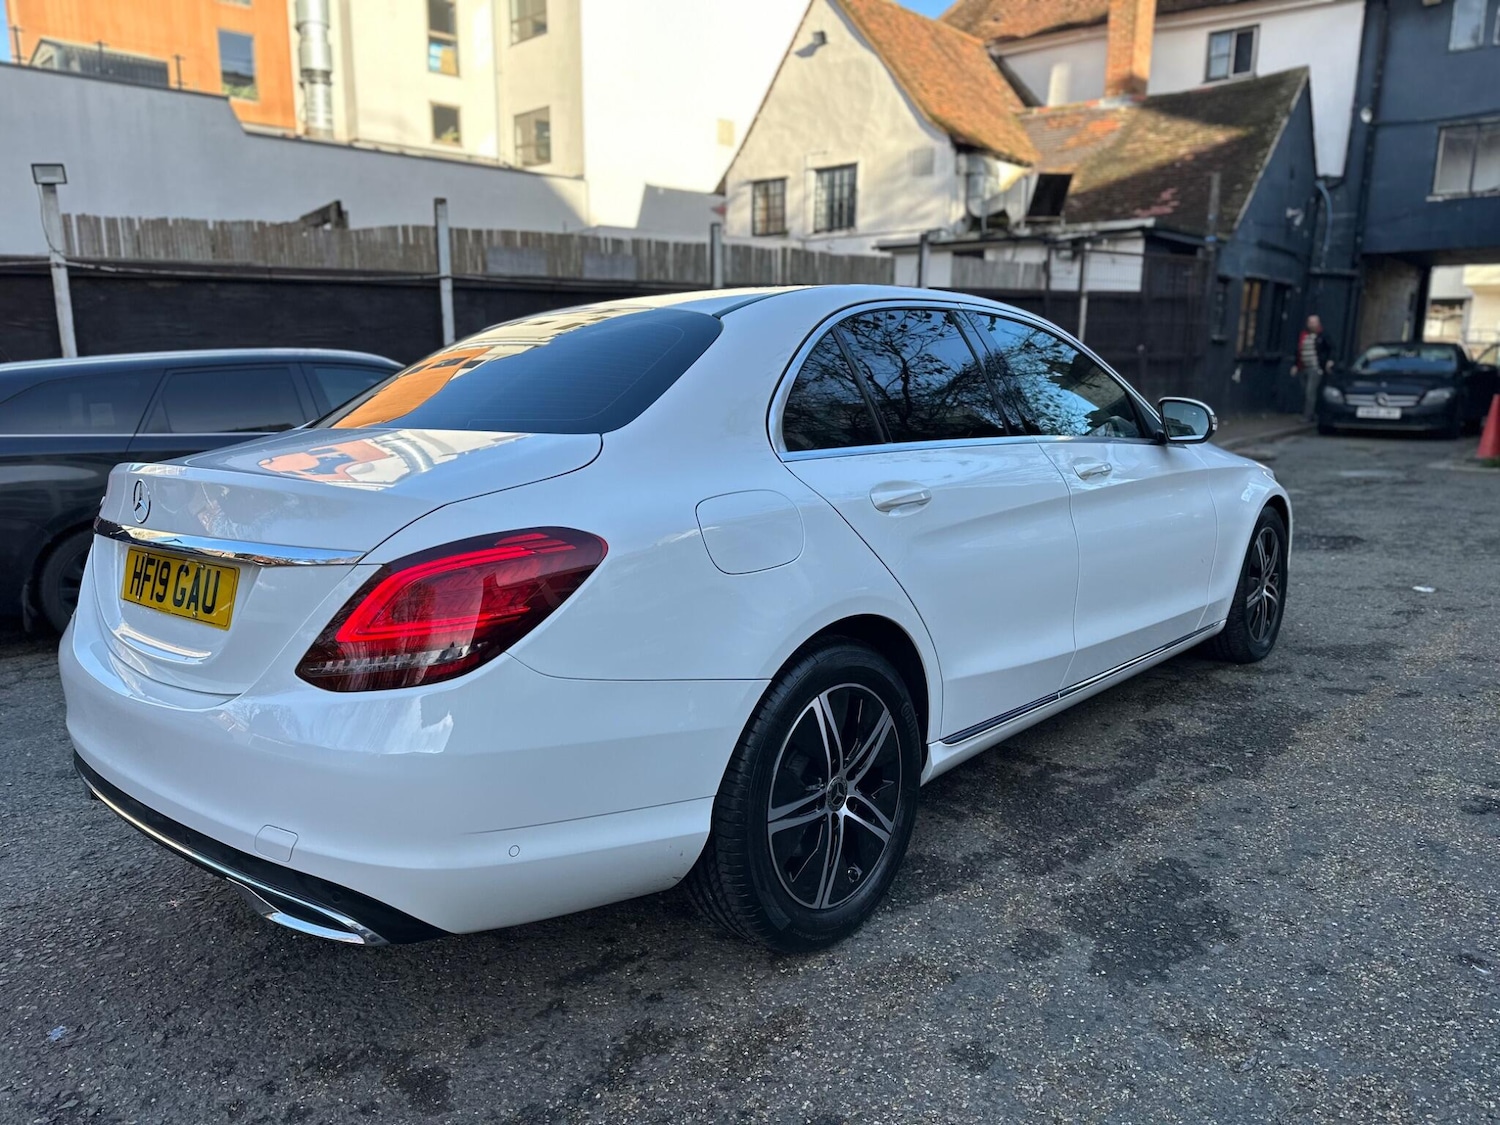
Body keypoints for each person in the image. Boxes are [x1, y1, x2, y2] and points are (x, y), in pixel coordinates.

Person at [1293, 314, 1336, 420]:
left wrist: (1329, 361)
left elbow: (1332, 348)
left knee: (1310, 391)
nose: (1311, 325)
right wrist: (1295, 365)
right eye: (1310, 322)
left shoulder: (1323, 335)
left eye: (1314, 322)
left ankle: (1308, 415)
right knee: (1304, 391)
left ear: (1318, 323)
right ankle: (1311, 412)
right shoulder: (1303, 335)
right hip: (1303, 367)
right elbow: (1298, 350)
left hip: (1315, 367)